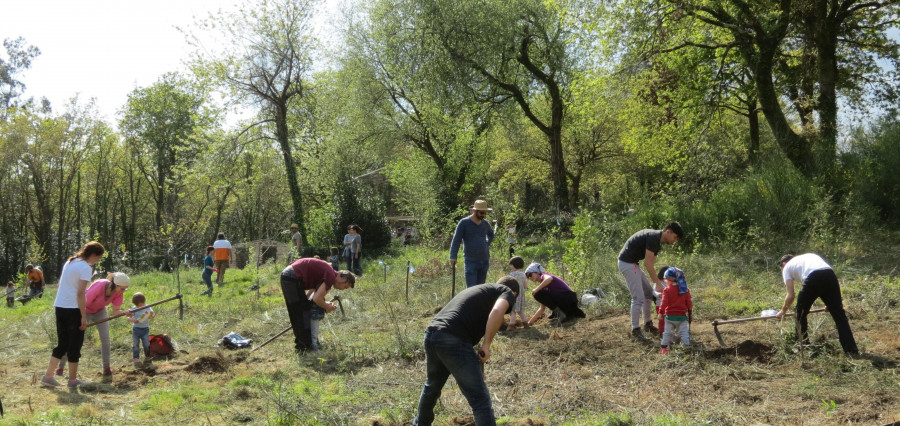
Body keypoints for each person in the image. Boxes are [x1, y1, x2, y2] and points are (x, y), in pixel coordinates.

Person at [413, 276, 519, 426]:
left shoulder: (480, 291)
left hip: (432, 334)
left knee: (432, 387)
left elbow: (465, 327)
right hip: (453, 339)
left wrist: (477, 367)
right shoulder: (507, 291)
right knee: (480, 399)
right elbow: (497, 311)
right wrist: (487, 345)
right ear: (514, 293)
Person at [40, 241, 105, 389]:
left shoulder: (70, 262)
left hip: (60, 306)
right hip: (73, 309)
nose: (98, 261)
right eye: (98, 258)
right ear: (93, 254)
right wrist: (83, 316)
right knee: (74, 345)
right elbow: (81, 293)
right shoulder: (85, 268)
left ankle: (48, 376)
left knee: (62, 343)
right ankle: (73, 381)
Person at [776, 253, 859, 356]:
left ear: (783, 264)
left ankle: (802, 346)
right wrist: (831, 304)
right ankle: (851, 351)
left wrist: (782, 311)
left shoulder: (787, 268)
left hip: (813, 277)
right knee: (839, 316)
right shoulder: (808, 257)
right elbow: (823, 278)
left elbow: (791, 295)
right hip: (830, 275)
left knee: (800, 313)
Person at [57, 272, 132, 383]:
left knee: (105, 339)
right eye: (122, 289)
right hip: (84, 310)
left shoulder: (118, 292)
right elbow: (83, 303)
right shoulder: (100, 285)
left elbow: (116, 311)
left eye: (125, 289)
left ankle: (106, 368)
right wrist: (82, 318)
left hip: (100, 311)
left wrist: (125, 312)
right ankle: (61, 367)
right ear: (115, 284)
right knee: (72, 338)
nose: (123, 291)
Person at [617, 221, 683, 341]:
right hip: (627, 263)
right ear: (668, 232)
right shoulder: (653, 238)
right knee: (638, 298)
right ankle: (635, 330)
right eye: (675, 237)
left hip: (633, 264)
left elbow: (651, 263)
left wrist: (657, 287)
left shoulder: (657, 242)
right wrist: (659, 284)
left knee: (648, 294)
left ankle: (648, 324)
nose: (675, 241)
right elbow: (647, 264)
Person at [280, 258, 356, 352]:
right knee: (299, 314)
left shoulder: (329, 272)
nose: (342, 289)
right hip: (291, 277)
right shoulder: (331, 276)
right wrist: (326, 307)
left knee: (302, 311)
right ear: (344, 278)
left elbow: (312, 295)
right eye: (345, 287)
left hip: (290, 276)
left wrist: (321, 303)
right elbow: (317, 299)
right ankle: (305, 347)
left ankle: (306, 344)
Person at [449, 199, 496, 288]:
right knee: (471, 290)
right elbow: (456, 240)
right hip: (471, 261)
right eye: (482, 213)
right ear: (475, 211)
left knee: (481, 289)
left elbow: (491, 234)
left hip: (484, 260)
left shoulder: (485, 224)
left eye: (485, 213)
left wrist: (486, 244)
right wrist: (453, 256)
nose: (484, 215)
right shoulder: (464, 223)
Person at [657, 267, 692, 354]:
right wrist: (690, 313)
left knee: (667, 332)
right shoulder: (685, 290)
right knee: (684, 332)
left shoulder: (667, 290)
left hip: (670, 317)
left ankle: (664, 348)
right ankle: (686, 347)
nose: (665, 281)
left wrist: (661, 312)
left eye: (665, 279)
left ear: (670, 279)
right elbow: (689, 303)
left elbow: (664, 302)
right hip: (681, 317)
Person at [128, 292, 155, 365]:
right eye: (138, 305)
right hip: (136, 329)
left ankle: (147, 355)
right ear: (135, 304)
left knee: (146, 343)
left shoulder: (147, 307)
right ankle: (136, 357)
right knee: (136, 344)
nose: (139, 307)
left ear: (144, 302)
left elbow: (152, 315)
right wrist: (133, 320)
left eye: (141, 305)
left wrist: (152, 314)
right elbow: (128, 318)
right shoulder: (134, 309)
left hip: (145, 329)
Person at [507, 256, 528, 329]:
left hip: (514, 295)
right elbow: (525, 286)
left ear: (514, 265)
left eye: (511, 265)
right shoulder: (523, 275)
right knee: (520, 311)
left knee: (513, 311)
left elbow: (508, 285)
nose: (510, 266)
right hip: (521, 295)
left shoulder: (511, 275)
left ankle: (511, 325)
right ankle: (526, 324)